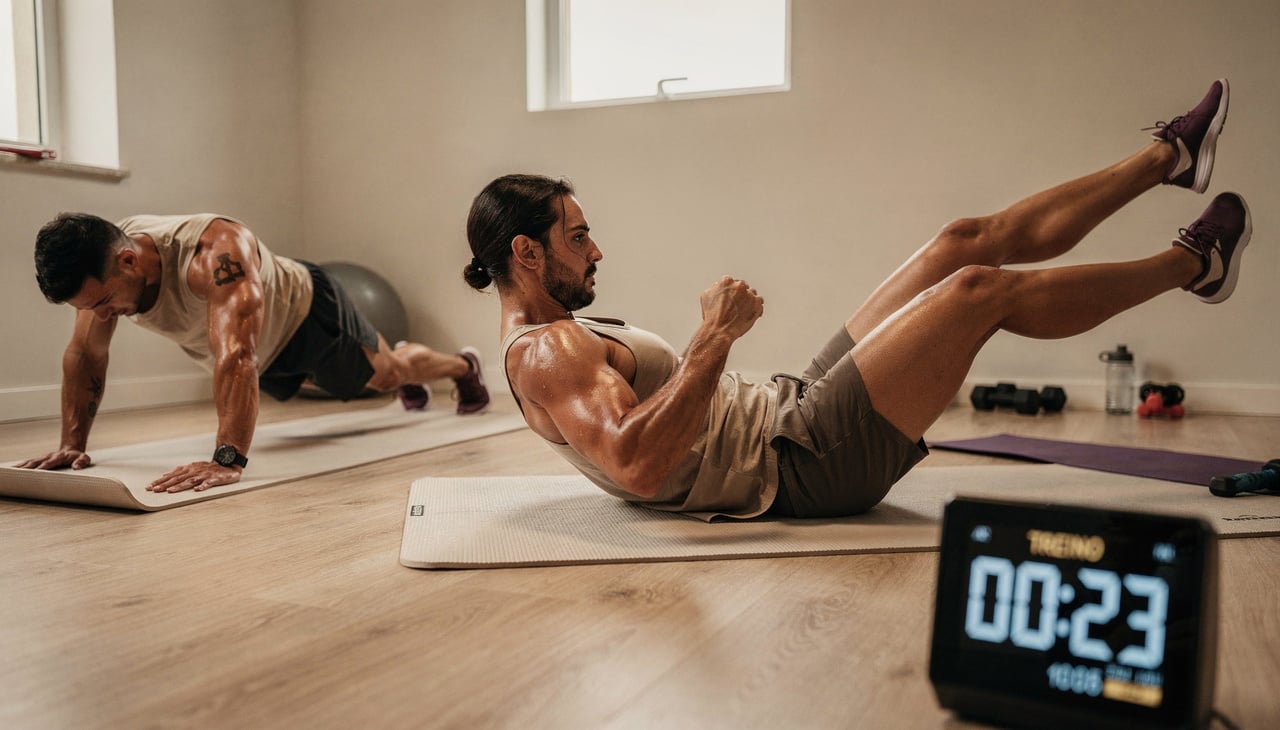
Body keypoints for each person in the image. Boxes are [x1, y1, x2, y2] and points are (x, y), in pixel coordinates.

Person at [462, 79, 1252, 521]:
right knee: (978, 292)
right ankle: (1193, 265)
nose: (596, 250)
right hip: (799, 465)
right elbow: (635, 462)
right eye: (577, 237)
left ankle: (1167, 158)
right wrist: (713, 340)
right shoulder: (545, 352)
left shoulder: (557, 336)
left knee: (959, 244)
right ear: (525, 253)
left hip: (785, 410)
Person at [20, 213, 490, 492]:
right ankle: (415, 364)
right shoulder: (104, 269)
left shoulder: (214, 253)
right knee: (359, 378)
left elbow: (237, 355)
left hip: (306, 319)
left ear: (129, 261)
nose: (102, 317)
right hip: (259, 354)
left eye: (104, 304)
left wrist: (227, 460)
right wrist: (72, 444)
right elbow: (84, 356)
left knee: (387, 374)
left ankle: (462, 366)